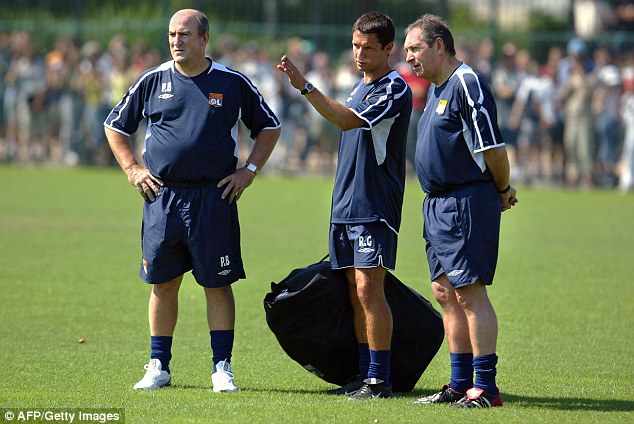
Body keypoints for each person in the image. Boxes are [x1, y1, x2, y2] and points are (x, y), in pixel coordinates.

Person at [104, 9, 281, 392]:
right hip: (162, 195)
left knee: (216, 284)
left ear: (204, 39)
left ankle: (221, 368)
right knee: (163, 282)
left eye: (184, 34)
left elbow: (269, 126)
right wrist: (133, 169)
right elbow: (115, 126)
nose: (176, 41)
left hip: (213, 196)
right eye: (171, 34)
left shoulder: (231, 82)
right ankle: (158, 366)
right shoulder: (152, 80)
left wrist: (248, 171)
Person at [277, 11, 412, 399]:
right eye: (355, 46)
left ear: (389, 49)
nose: (359, 53)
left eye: (369, 48)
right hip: (345, 204)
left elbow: (348, 122)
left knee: (370, 287)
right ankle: (361, 373)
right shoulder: (358, 85)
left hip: (375, 204)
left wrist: (305, 87)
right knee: (353, 290)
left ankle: (380, 379)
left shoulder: (393, 88)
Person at [403, 14, 518, 408]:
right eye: (406, 52)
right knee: (444, 292)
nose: (410, 58)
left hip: (465, 201)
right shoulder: (436, 88)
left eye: (415, 48)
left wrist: (502, 189)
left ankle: (485, 387)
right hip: (436, 204)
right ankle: (458, 383)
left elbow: (492, 147)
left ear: (439, 45)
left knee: (469, 292)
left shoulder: (466, 82)